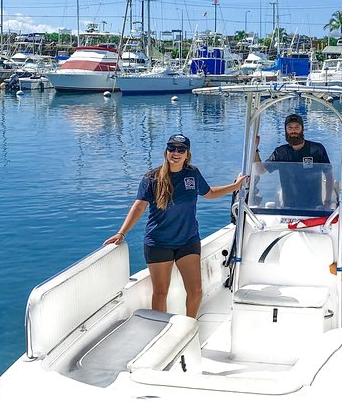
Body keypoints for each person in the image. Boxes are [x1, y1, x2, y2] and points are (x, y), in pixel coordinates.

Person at [103, 133, 247, 318]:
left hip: (187, 241)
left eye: (181, 149)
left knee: (195, 290)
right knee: (161, 292)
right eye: (172, 148)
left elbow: (209, 193)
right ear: (166, 152)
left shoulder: (192, 174)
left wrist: (235, 186)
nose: (176, 153)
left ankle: (189, 326)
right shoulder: (151, 178)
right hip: (159, 243)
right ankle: (159, 330)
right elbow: (138, 207)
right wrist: (121, 233)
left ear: (187, 154)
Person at [253, 113, 334, 208]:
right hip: (289, 208)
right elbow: (260, 170)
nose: (293, 130)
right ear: (286, 130)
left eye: (297, 127)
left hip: (315, 208)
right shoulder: (280, 152)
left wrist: (328, 201)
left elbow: (329, 175)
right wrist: (255, 149)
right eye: (290, 128)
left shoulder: (317, 149)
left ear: (302, 129)